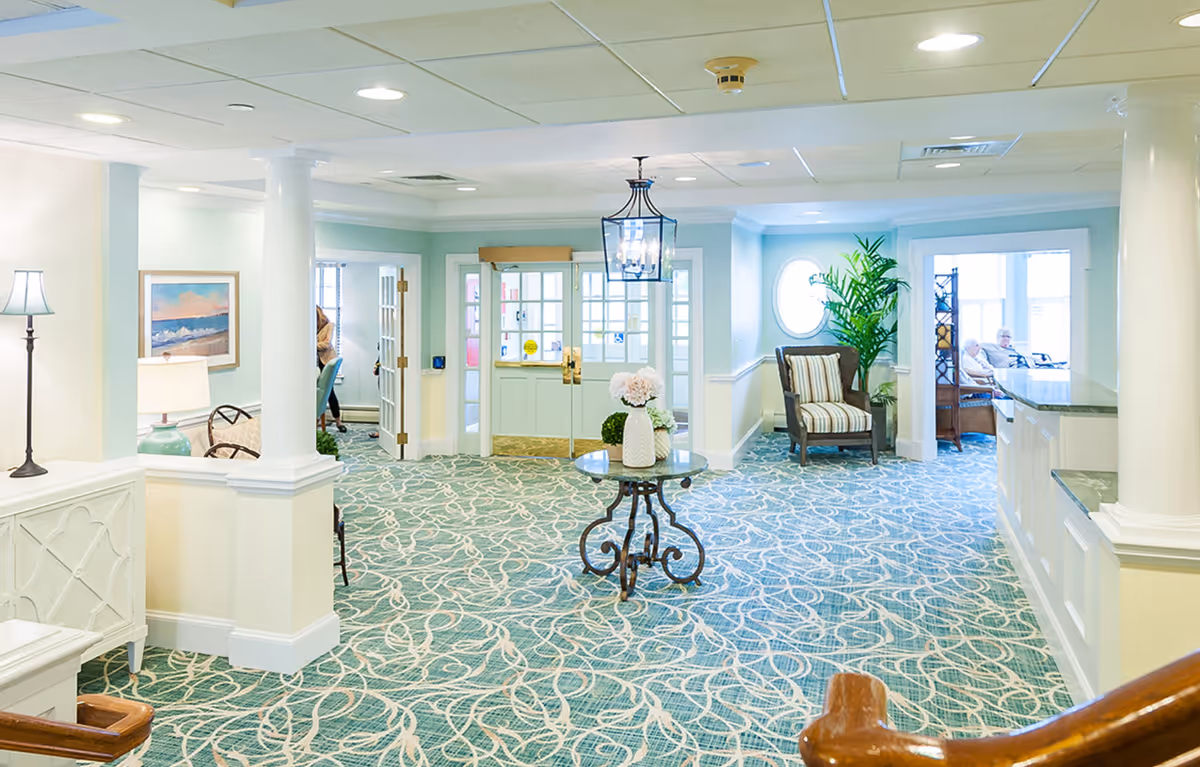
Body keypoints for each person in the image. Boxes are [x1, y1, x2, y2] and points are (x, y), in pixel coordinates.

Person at [316, 306, 347, 433]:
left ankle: (338, 421)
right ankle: (316, 419)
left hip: (326, 361)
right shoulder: (309, 327)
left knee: (329, 391)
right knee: (315, 392)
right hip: (314, 362)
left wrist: (311, 343)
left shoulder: (329, 325)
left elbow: (326, 344)